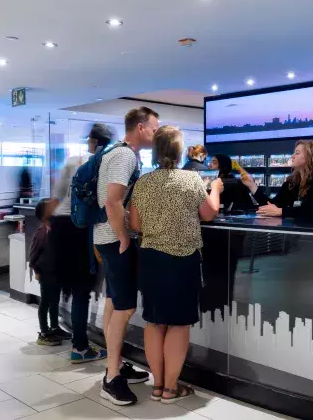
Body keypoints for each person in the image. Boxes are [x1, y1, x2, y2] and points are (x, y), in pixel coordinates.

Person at [129, 125, 222, 403]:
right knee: (179, 324)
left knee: (154, 321)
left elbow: (134, 224)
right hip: (183, 259)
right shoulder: (191, 180)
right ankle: (171, 388)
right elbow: (209, 214)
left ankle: (157, 385)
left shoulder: (143, 182)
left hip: (151, 259)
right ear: (180, 151)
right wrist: (215, 188)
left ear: (156, 152)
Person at [96, 107, 158, 406]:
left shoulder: (115, 152)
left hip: (104, 237)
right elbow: (113, 201)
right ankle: (110, 378)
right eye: (154, 129)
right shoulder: (125, 156)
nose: (156, 135)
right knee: (125, 308)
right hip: (113, 238)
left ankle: (115, 364)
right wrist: (123, 236)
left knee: (114, 302)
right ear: (141, 127)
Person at [46, 124, 117, 363]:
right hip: (83, 229)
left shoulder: (72, 161)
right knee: (82, 291)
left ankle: (66, 333)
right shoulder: (106, 165)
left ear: (92, 141)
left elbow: (56, 197)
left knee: (71, 287)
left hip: (61, 227)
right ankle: (80, 346)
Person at [241, 140, 313, 220]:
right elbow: (273, 206)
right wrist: (252, 186)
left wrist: (282, 212)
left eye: (297, 153)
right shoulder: (292, 182)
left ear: (310, 156)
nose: (292, 156)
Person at [29, 199, 63, 346]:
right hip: (45, 273)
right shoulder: (42, 232)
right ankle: (44, 332)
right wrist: (36, 270)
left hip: (56, 272)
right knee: (45, 302)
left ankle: (55, 327)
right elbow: (33, 254)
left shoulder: (55, 229)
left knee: (55, 300)